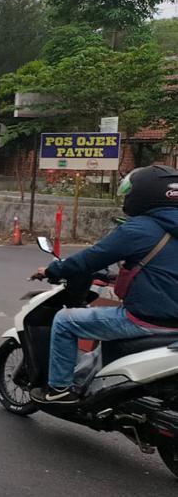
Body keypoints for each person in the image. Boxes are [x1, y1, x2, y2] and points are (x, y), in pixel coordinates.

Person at [29, 165, 178, 404]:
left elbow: (89, 259)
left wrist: (51, 269)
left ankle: (59, 390)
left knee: (65, 322)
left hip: (148, 320)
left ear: (143, 195)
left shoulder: (139, 228)